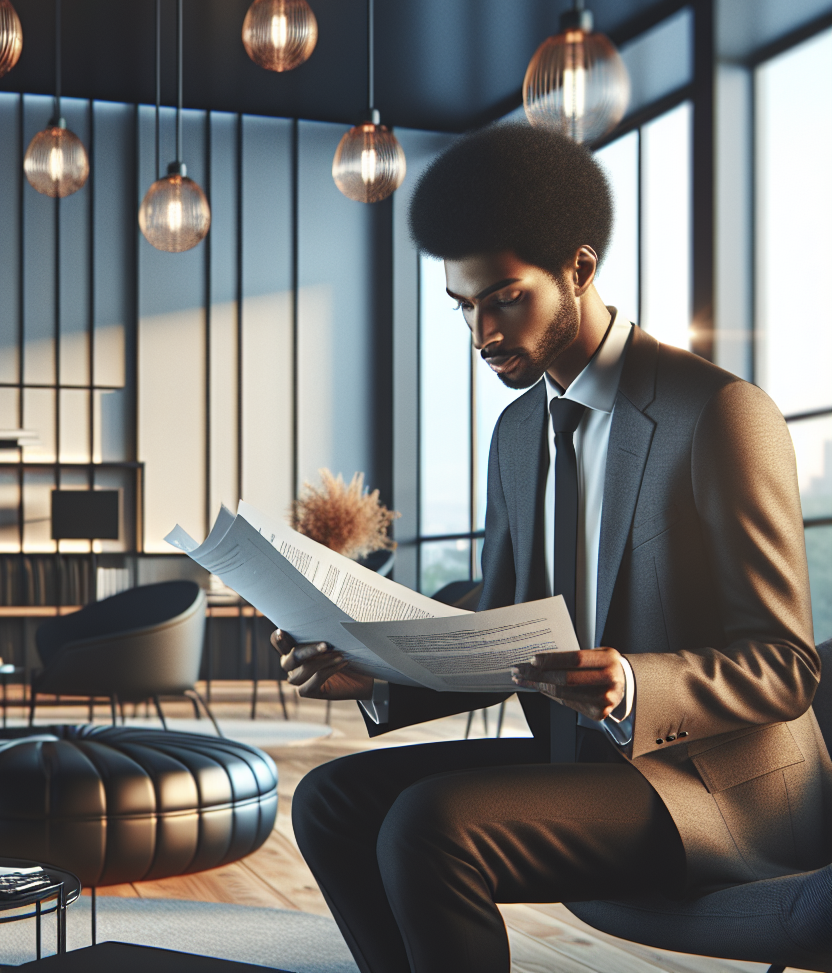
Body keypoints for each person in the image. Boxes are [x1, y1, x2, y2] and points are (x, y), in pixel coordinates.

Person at [271, 123, 830, 973]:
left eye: (503, 298)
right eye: (463, 307)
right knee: (330, 800)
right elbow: (499, 631)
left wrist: (636, 681)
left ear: (579, 267)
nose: (482, 333)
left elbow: (786, 666)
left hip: (713, 785)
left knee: (432, 824)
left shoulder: (717, 413)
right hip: (582, 764)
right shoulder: (517, 431)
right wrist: (374, 672)